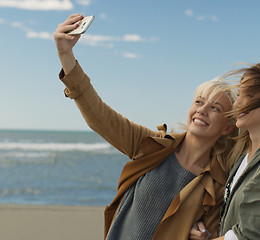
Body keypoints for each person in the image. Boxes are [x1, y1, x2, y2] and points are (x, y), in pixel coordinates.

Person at [54, 14, 240, 239]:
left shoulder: (218, 187)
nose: (202, 109)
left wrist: (202, 235)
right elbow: (99, 116)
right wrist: (66, 54)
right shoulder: (152, 146)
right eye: (199, 102)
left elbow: (216, 233)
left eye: (215, 108)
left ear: (227, 128)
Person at [190, 62, 260, 240]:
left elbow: (247, 236)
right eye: (239, 94)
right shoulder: (244, 155)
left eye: (248, 96)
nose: (238, 103)